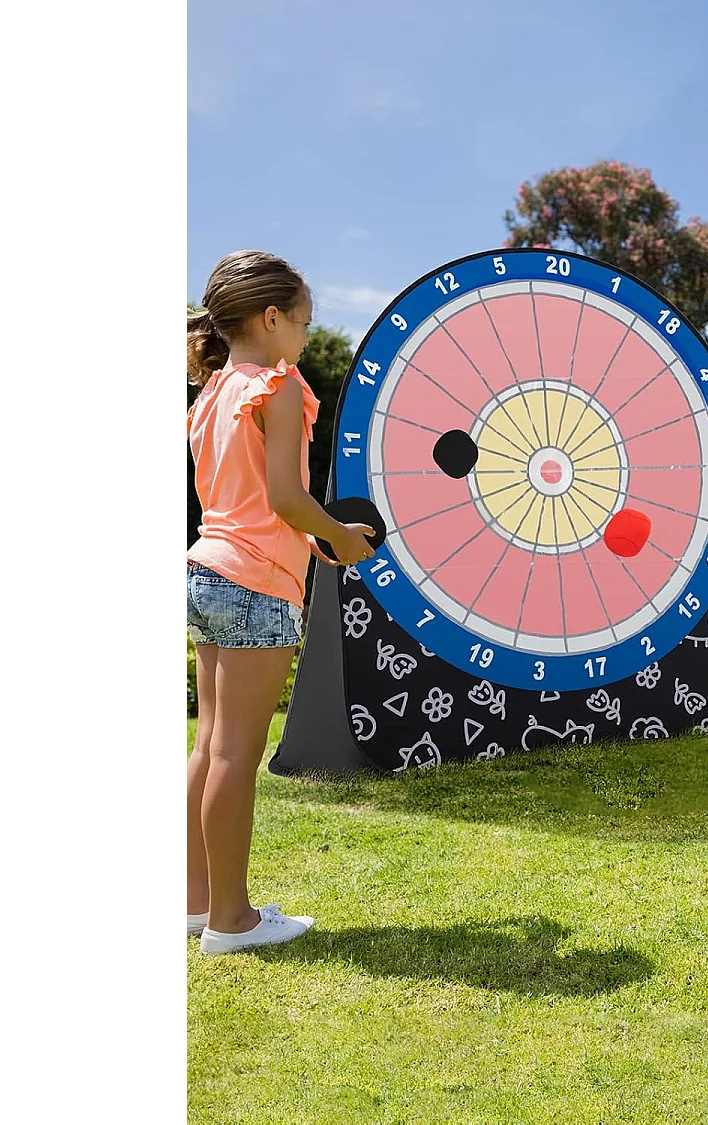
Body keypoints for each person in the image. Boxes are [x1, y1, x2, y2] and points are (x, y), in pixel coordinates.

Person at [186, 251, 376, 955]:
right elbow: (286, 499)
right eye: (301, 321)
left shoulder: (212, 391)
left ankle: (196, 898)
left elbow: (245, 503)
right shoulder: (280, 384)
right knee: (238, 752)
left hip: (207, 569)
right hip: (255, 580)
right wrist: (340, 536)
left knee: (209, 745)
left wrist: (315, 538)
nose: (303, 335)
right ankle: (231, 921)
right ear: (270, 319)